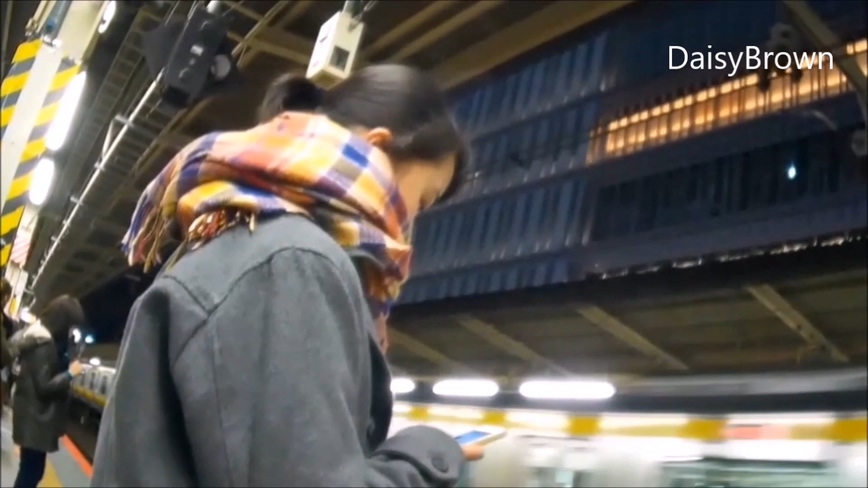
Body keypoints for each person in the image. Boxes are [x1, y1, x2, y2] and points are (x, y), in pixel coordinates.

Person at [92, 64, 476, 487]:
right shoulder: (293, 264)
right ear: (378, 147)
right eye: (423, 200)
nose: (409, 227)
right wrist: (428, 454)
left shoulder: (242, 233)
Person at [11, 295, 85, 488]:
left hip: (33, 418)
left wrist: (71, 350)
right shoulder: (43, 345)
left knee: (31, 472)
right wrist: (70, 374)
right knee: (30, 473)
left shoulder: (40, 339)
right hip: (35, 420)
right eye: (70, 325)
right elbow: (44, 387)